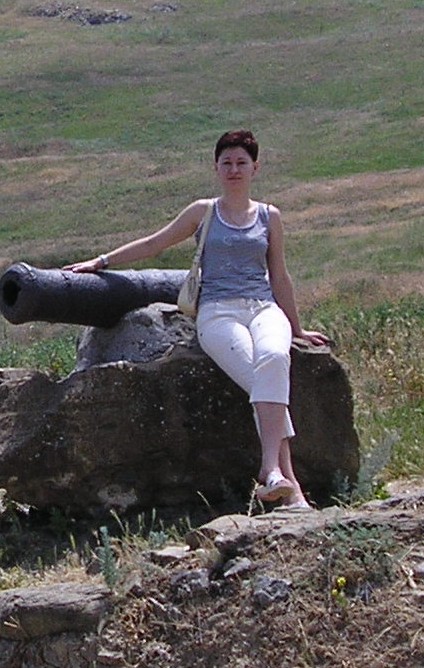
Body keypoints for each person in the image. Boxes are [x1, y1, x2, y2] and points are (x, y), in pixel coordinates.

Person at [66, 129, 329, 509]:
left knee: (274, 358)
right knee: (262, 381)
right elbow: (156, 242)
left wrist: (298, 328)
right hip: (218, 311)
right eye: (227, 163)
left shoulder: (270, 216)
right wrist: (102, 262)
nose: (234, 170)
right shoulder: (203, 212)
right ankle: (292, 490)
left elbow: (280, 275)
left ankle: (272, 472)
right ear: (216, 167)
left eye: (241, 162)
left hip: (263, 307)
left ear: (255, 167)